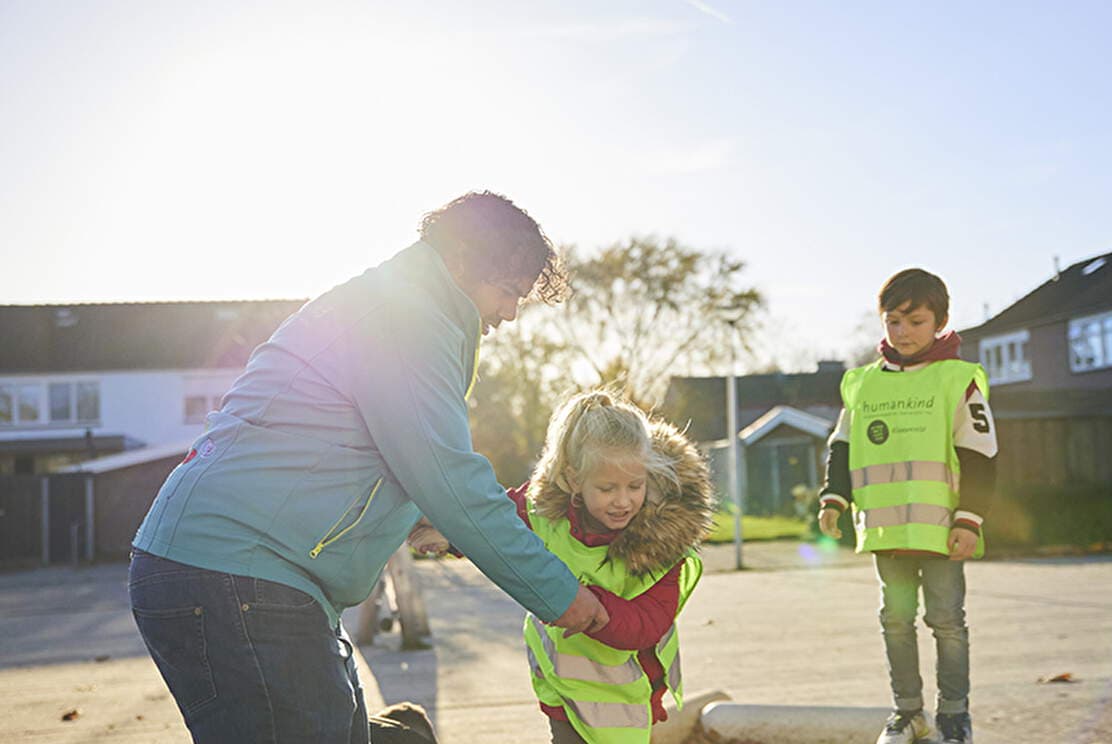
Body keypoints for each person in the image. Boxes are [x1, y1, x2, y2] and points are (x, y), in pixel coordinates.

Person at [128, 191, 609, 743]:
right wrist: (559, 595)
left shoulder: (394, 303)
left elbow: (354, 453)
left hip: (238, 574)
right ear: (461, 261)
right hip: (239, 577)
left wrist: (414, 519)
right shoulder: (410, 319)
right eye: (507, 291)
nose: (510, 313)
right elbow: (450, 479)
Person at [411, 390, 715, 744]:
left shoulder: (662, 547)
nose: (623, 501)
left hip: (625, 701)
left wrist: (585, 605)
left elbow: (647, 625)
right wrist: (451, 535)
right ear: (573, 480)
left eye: (635, 486)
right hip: (562, 690)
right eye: (607, 488)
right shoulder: (542, 512)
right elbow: (495, 527)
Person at [817, 268, 997, 744]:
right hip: (886, 532)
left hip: (942, 531)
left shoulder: (958, 380)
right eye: (893, 321)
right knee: (895, 622)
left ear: (940, 321)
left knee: (947, 622)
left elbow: (980, 455)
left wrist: (969, 521)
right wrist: (834, 498)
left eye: (916, 321)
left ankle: (954, 716)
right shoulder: (862, 384)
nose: (903, 332)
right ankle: (907, 713)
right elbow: (842, 446)